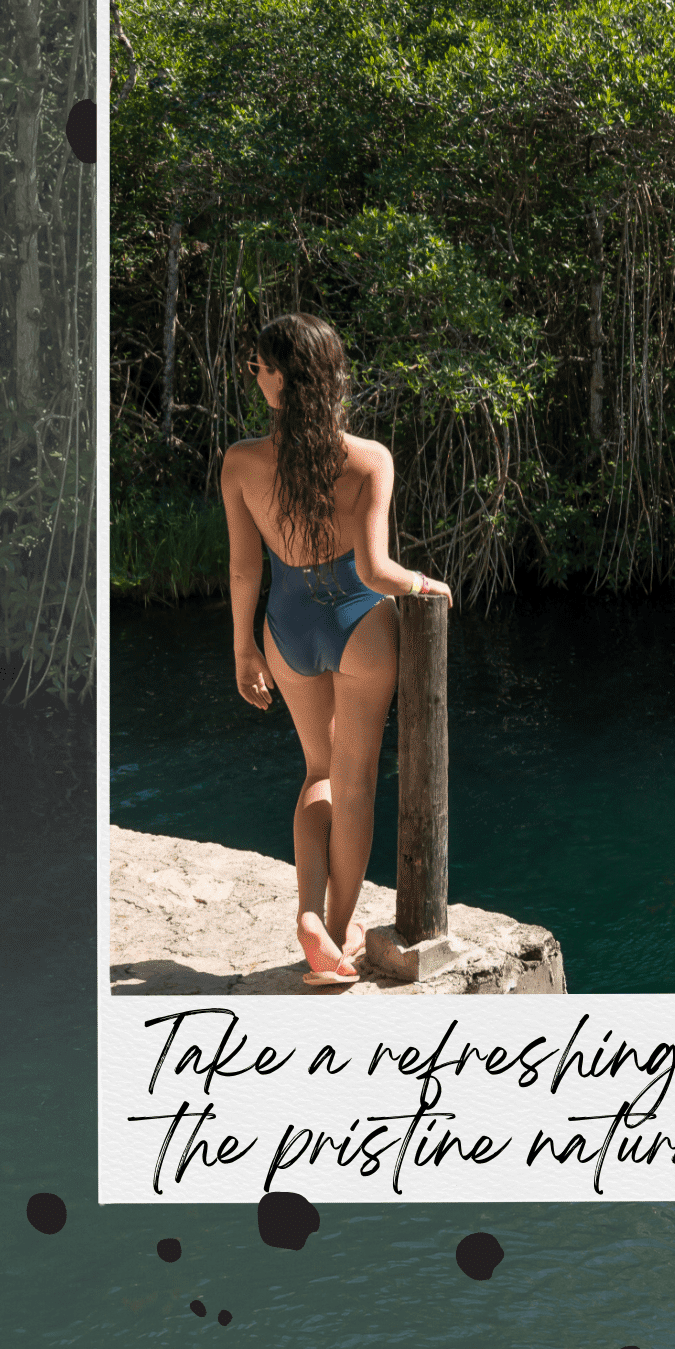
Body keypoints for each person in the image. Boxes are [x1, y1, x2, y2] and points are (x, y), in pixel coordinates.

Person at [221, 312, 451, 987]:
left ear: (281, 378)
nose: (255, 376)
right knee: (354, 785)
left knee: (317, 773)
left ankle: (307, 914)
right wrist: (428, 585)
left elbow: (244, 570)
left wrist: (243, 652)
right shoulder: (370, 459)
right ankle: (341, 930)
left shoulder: (240, 463)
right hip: (361, 625)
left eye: (259, 367)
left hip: (286, 628)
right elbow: (379, 571)